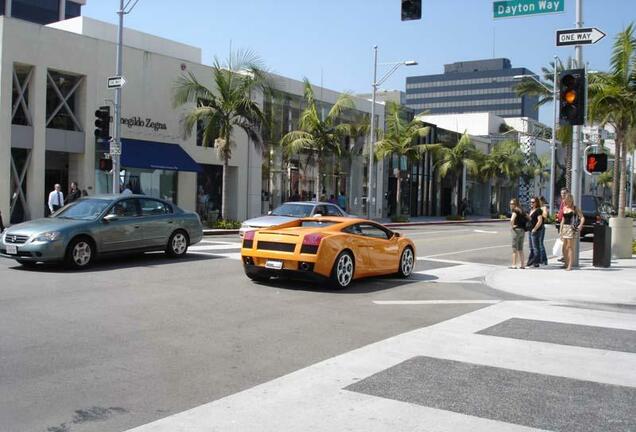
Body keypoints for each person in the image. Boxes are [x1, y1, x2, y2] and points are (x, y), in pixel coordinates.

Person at [560, 193, 585, 271]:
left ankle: (570, 265)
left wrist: (580, 225)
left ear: (571, 200)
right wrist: (560, 230)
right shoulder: (564, 208)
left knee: (570, 247)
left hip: (571, 228)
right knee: (564, 248)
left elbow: (582, 218)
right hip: (564, 228)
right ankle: (566, 263)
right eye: (565, 200)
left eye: (567, 200)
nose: (566, 202)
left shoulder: (575, 208)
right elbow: (563, 220)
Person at [526, 197, 545, 268]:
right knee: (531, 247)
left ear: (536, 203)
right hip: (530, 230)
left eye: (533, 202)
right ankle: (531, 261)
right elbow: (531, 219)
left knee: (535, 247)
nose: (531, 203)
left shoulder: (538, 210)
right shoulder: (531, 210)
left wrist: (535, 228)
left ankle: (536, 262)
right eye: (531, 202)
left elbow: (540, 221)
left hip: (535, 231)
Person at [509, 198, 526, 269]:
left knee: (514, 248)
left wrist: (512, 226)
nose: (510, 205)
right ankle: (522, 265)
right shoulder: (522, 210)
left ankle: (514, 264)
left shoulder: (515, 211)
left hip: (516, 231)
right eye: (510, 204)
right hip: (522, 230)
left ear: (515, 204)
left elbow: (512, 219)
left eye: (512, 204)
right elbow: (528, 217)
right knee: (520, 248)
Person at [556, 187, 569, 262]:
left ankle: (566, 258)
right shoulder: (562, 201)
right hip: (560, 222)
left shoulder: (567, 202)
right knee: (563, 241)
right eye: (561, 193)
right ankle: (564, 256)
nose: (562, 195)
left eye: (564, 193)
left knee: (565, 242)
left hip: (564, 223)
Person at [539, 196, 549, 265]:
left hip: (541, 226)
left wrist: (539, 214)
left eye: (539, 201)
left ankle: (544, 260)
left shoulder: (543, 208)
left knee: (540, 243)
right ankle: (539, 259)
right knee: (537, 244)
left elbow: (545, 216)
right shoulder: (538, 207)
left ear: (542, 201)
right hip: (536, 227)